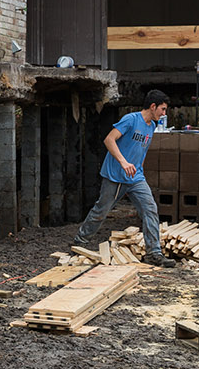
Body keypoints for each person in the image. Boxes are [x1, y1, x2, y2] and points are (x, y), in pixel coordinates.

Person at [74, 90, 176, 267]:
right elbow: (109, 140)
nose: (164, 113)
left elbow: (142, 149)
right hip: (115, 176)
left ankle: (154, 253)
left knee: (150, 209)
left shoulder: (151, 125)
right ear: (153, 107)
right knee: (101, 211)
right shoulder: (131, 119)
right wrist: (123, 162)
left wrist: (139, 167)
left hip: (136, 177)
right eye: (163, 109)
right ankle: (80, 242)